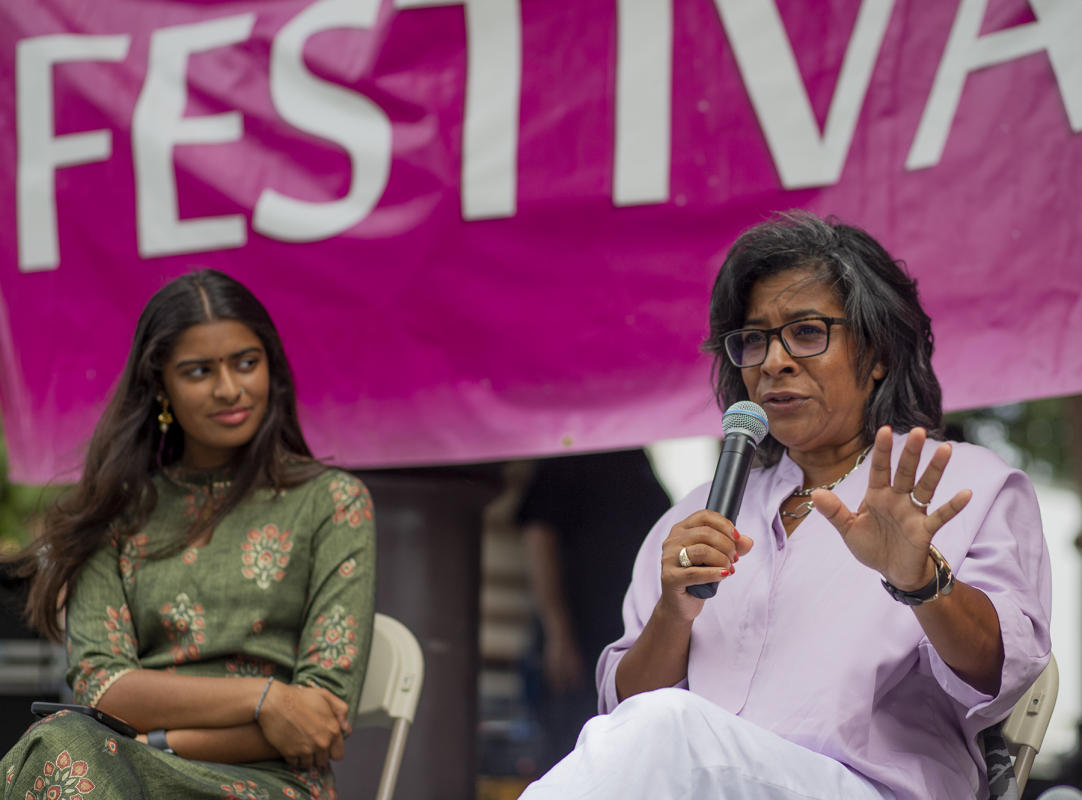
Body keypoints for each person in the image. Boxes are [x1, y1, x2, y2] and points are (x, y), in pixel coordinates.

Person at [520, 212, 1051, 800]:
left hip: (868, 790)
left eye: (805, 332)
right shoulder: (697, 517)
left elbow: (1004, 670)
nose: (774, 361)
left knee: (666, 727)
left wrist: (922, 581)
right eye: (753, 340)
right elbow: (624, 723)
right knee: (655, 727)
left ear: (875, 354)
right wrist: (674, 611)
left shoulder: (963, 485)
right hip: (698, 780)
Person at [0, 270, 376, 799]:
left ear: (272, 367)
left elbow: (318, 720)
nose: (229, 389)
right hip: (117, 767)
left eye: (246, 363)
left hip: (268, 782)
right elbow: (104, 688)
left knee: (70, 752)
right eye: (199, 371)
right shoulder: (116, 514)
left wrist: (153, 740)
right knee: (69, 749)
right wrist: (266, 699)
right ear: (161, 387)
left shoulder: (332, 505)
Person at [515, 450, 671, 773]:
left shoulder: (637, 457)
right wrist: (558, 634)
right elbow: (538, 537)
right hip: (579, 640)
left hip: (629, 644)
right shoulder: (572, 449)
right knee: (571, 759)